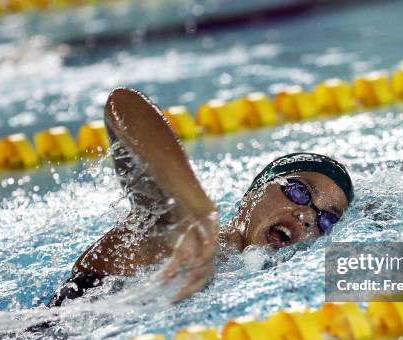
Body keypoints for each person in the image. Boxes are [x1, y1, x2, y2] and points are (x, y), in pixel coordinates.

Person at [49, 88, 354, 306]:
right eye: (299, 191)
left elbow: (394, 276)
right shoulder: (177, 229)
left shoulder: (263, 277)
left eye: (326, 219)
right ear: (252, 194)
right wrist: (194, 207)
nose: (308, 216)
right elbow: (123, 103)